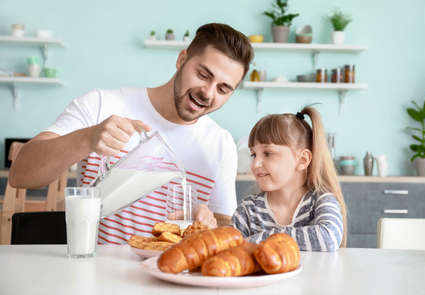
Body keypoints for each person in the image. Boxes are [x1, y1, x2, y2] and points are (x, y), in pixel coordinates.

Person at [9, 23, 254, 244]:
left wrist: (209, 223)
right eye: (203, 74)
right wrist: (87, 138)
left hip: (173, 281)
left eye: (223, 89)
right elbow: (21, 174)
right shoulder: (101, 105)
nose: (208, 93)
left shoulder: (219, 143)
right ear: (181, 60)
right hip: (98, 277)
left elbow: (226, 227)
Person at [232, 107, 347, 251]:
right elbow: (232, 249)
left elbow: (328, 238)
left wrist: (255, 240)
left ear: (302, 160)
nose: (255, 164)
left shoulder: (320, 201)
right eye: (254, 155)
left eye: (268, 153)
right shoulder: (248, 210)